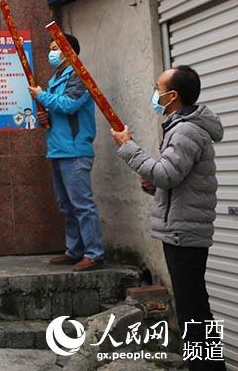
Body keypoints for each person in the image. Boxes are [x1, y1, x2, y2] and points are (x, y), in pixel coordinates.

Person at [111, 66, 224, 371]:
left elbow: (166, 173)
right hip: (182, 229)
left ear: (172, 95)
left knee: (193, 309)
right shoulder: (180, 126)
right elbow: (172, 180)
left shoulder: (186, 130)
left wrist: (127, 147)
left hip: (184, 233)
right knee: (195, 306)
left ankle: (207, 368)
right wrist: (154, 185)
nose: (155, 94)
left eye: (158, 88)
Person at [29, 34, 105, 272]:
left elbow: (69, 105)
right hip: (58, 148)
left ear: (69, 51)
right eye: (50, 47)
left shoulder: (80, 76)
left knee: (82, 205)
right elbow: (58, 110)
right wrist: (45, 117)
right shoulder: (56, 79)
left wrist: (41, 96)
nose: (51, 52)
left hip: (75, 149)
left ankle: (94, 253)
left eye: (56, 47)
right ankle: (75, 251)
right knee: (67, 205)